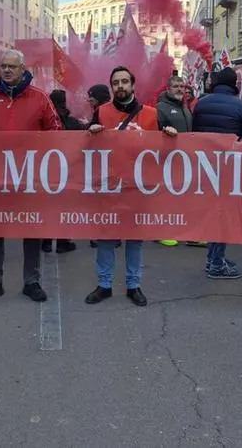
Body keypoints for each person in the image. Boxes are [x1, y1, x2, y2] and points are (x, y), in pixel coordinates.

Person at [0, 49, 62, 303]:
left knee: (31, 228)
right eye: (3, 66)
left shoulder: (41, 98)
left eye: (12, 66)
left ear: (23, 69)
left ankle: (32, 281)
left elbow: (56, 132)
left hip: (29, 177)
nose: (7, 70)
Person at [85, 66, 176, 307]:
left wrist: (171, 135)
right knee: (105, 237)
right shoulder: (101, 112)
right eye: (116, 83)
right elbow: (87, 149)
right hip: (109, 186)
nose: (121, 86)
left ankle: (133, 285)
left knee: (134, 238)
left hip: (138, 186)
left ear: (133, 85)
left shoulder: (152, 114)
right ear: (112, 87)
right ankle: (104, 285)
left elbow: (165, 150)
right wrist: (90, 133)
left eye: (125, 81)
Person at [192, 67, 242, 279]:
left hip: (206, 167)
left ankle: (214, 257)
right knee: (223, 216)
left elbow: (194, 132)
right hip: (230, 169)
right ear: (234, 84)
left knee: (213, 214)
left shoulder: (201, 103)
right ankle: (216, 263)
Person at [155, 76, 193, 248]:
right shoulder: (160, 109)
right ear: (168, 89)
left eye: (182, 86)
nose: (180, 89)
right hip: (166, 159)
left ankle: (180, 229)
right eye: (176, 86)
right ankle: (162, 231)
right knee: (165, 196)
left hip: (183, 159)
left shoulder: (185, 108)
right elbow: (155, 134)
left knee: (181, 196)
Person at [43, 89, 80, 254]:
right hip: (67, 171)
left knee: (48, 207)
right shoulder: (71, 122)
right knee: (64, 207)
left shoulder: (46, 120)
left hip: (47, 171)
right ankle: (62, 242)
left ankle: (45, 241)